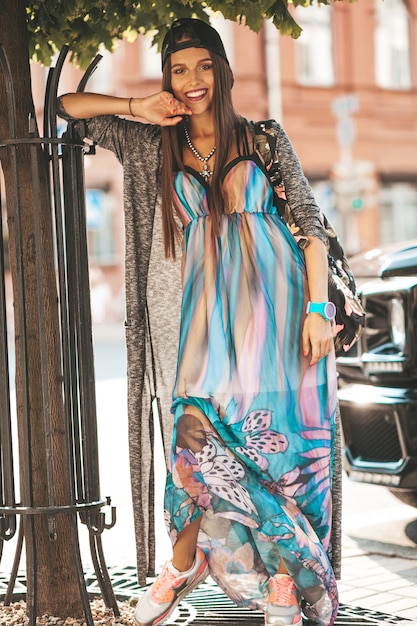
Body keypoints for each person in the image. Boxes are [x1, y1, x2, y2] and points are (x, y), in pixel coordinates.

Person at [59, 17, 341, 626]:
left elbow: (311, 228)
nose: (192, 81)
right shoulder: (153, 143)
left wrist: (319, 311)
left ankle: (284, 590)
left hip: (284, 319)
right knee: (195, 445)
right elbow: (67, 106)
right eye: (180, 69)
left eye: (204, 66)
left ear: (223, 71)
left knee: (278, 458)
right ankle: (180, 564)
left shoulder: (264, 137)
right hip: (208, 332)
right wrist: (139, 103)